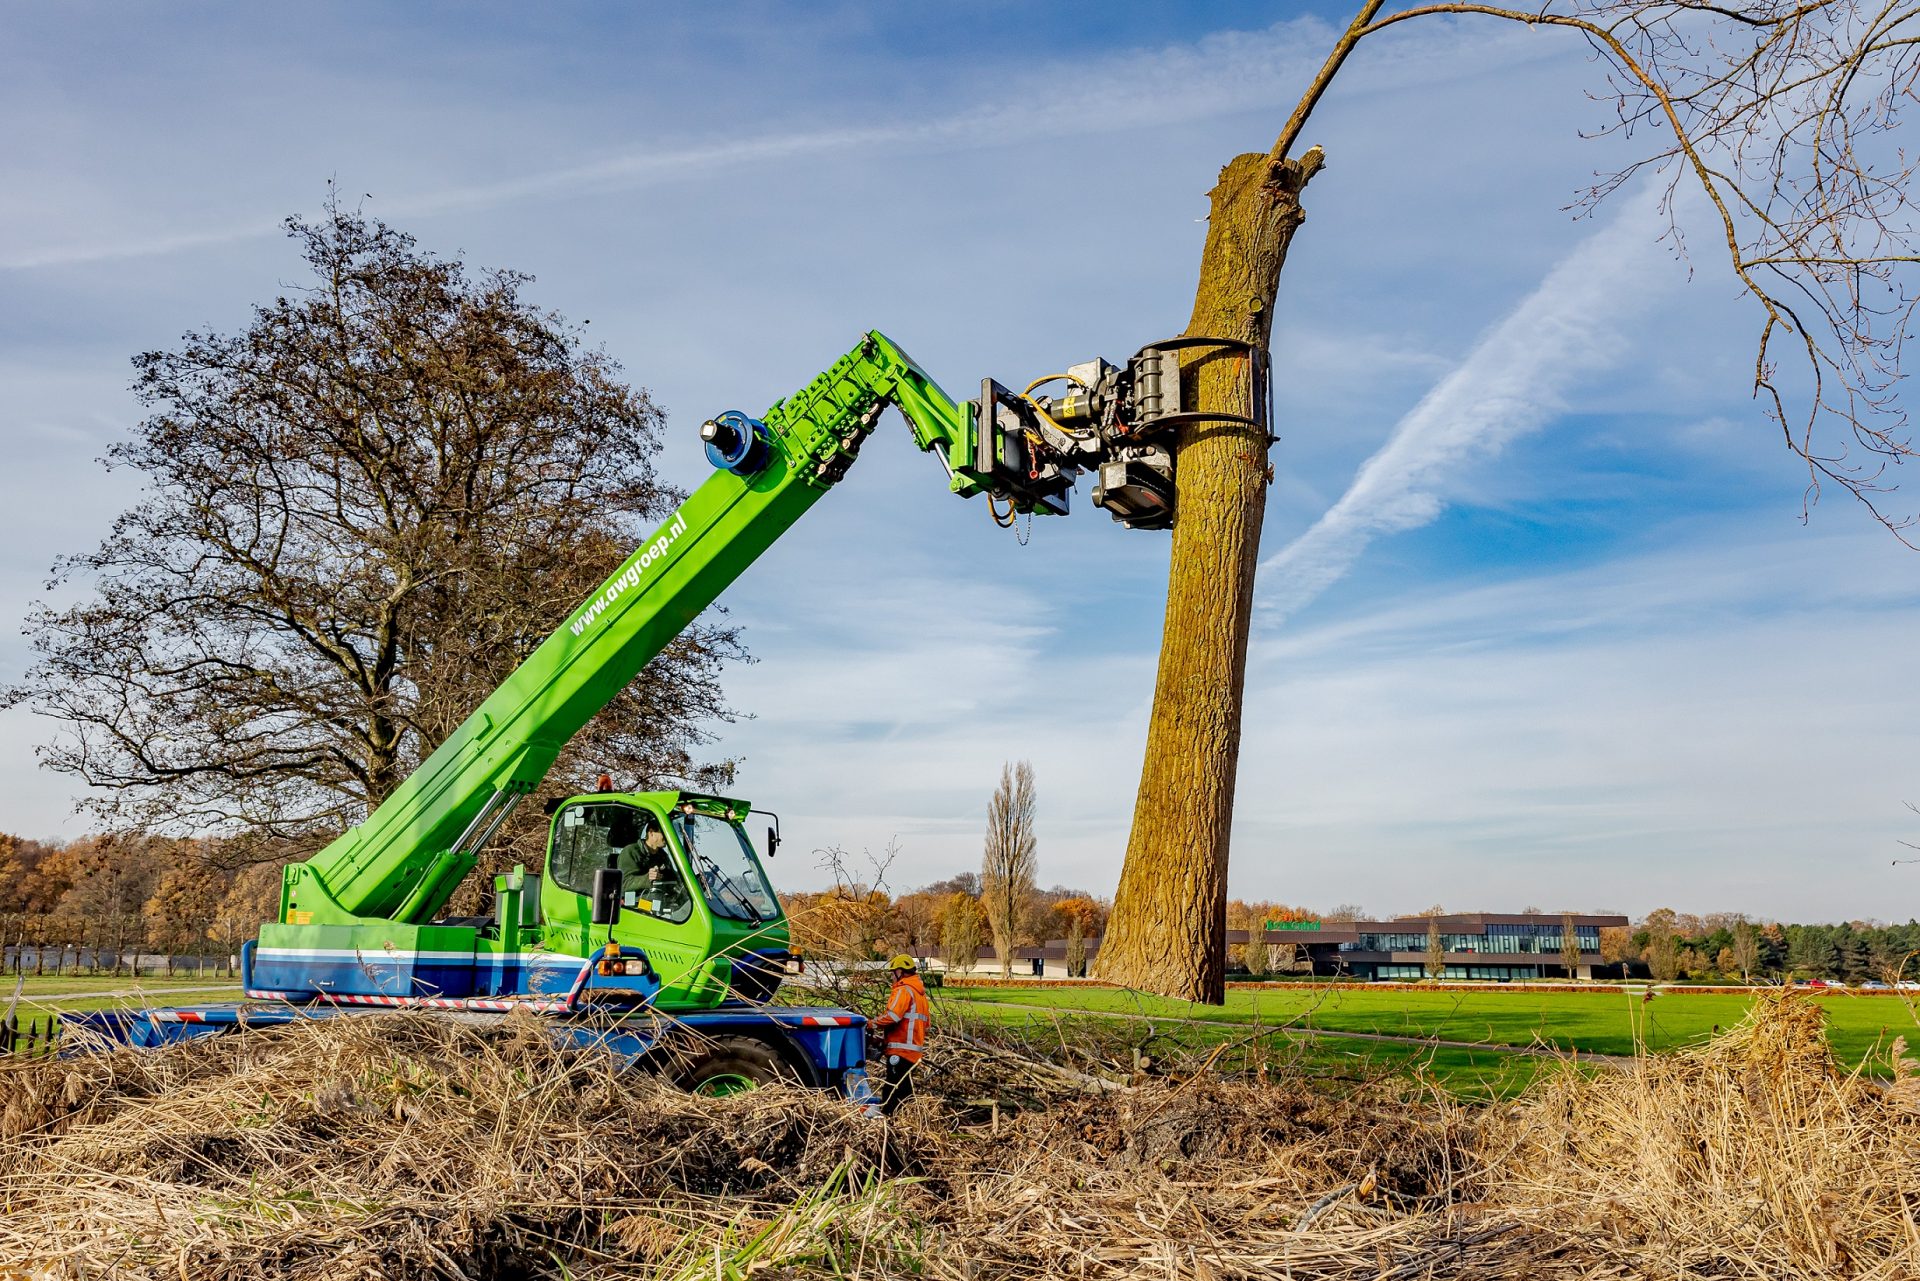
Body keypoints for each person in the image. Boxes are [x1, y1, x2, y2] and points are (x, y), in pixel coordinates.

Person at [871, 954, 929, 1117]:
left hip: (901, 1051)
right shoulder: (920, 994)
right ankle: (910, 1119)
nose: (891, 976)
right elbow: (922, 1024)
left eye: (893, 972)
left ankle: (888, 1120)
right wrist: (886, 1041)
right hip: (912, 1050)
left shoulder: (904, 990)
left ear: (900, 971)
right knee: (904, 1089)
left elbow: (893, 1016)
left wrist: (870, 1023)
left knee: (892, 1089)